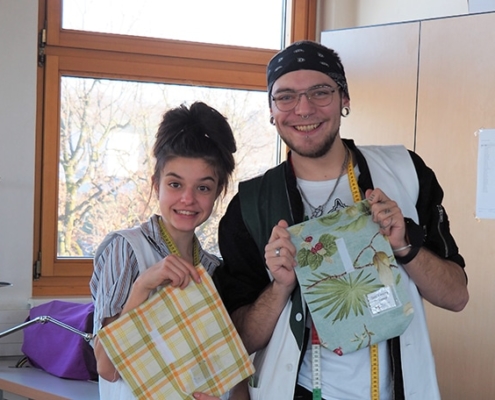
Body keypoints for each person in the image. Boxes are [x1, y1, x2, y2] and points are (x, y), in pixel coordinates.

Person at [214, 40, 469, 400]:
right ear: (272, 110)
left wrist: (405, 247)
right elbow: (238, 340)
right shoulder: (252, 204)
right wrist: (281, 287)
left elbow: (457, 295)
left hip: (401, 389)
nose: (303, 109)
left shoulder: (405, 172)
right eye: (285, 96)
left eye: (320, 92)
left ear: (344, 99)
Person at [90, 101, 240, 400]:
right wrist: (142, 286)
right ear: (156, 184)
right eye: (175, 184)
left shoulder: (212, 269)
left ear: (219, 192)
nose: (187, 199)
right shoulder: (127, 249)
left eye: (203, 188)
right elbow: (107, 367)